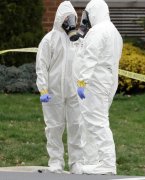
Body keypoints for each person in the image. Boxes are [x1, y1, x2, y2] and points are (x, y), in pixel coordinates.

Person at [73, 0, 123, 175]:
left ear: (93, 12)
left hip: (94, 82)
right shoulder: (114, 32)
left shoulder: (97, 31)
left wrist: (81, 82)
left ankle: (107, 163)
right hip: (107, 82)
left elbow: (89, 59)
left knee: (97, 122)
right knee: (94, 122)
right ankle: (94, 161)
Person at [36, 1, 82, 174]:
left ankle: (76, 162)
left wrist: (82, 86)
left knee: (76, 126)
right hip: (53, 93)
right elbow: (41, 66)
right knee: (54, 128)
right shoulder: (49, 40)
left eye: (72, 18)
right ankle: (55, 162)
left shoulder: (76, 41)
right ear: (59, 18)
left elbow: (82, 64)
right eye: (67, 17)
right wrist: (43, 89)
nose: (70, 21)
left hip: (73, 92)